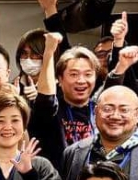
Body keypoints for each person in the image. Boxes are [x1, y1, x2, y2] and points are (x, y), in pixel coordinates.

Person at [30, 42, 99, 170]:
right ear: (60, 79)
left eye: (88, 74)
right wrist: (49, 52)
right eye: (74, 74)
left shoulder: (101, 111)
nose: (81, 80)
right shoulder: (50, 111)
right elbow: (46, 99)